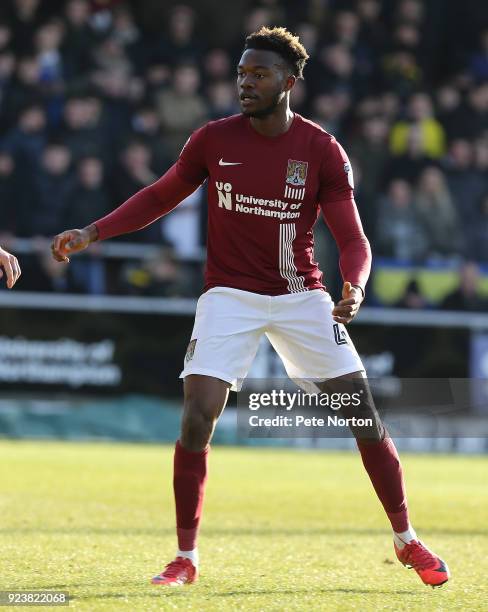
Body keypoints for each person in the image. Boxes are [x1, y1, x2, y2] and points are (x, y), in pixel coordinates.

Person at [51, 27, 449, 588]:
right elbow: (161, 195)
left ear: (289, 81)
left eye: (258, 74)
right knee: (197, 415)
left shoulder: (321, 150)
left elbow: (354, 239)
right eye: (241, 73)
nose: (245, 83)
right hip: (229, 295)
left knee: (363, 417)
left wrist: (354, 285)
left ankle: (407, 540)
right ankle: (185, 557)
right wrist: (94, 231)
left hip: (301, 297)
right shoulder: (213, 139)